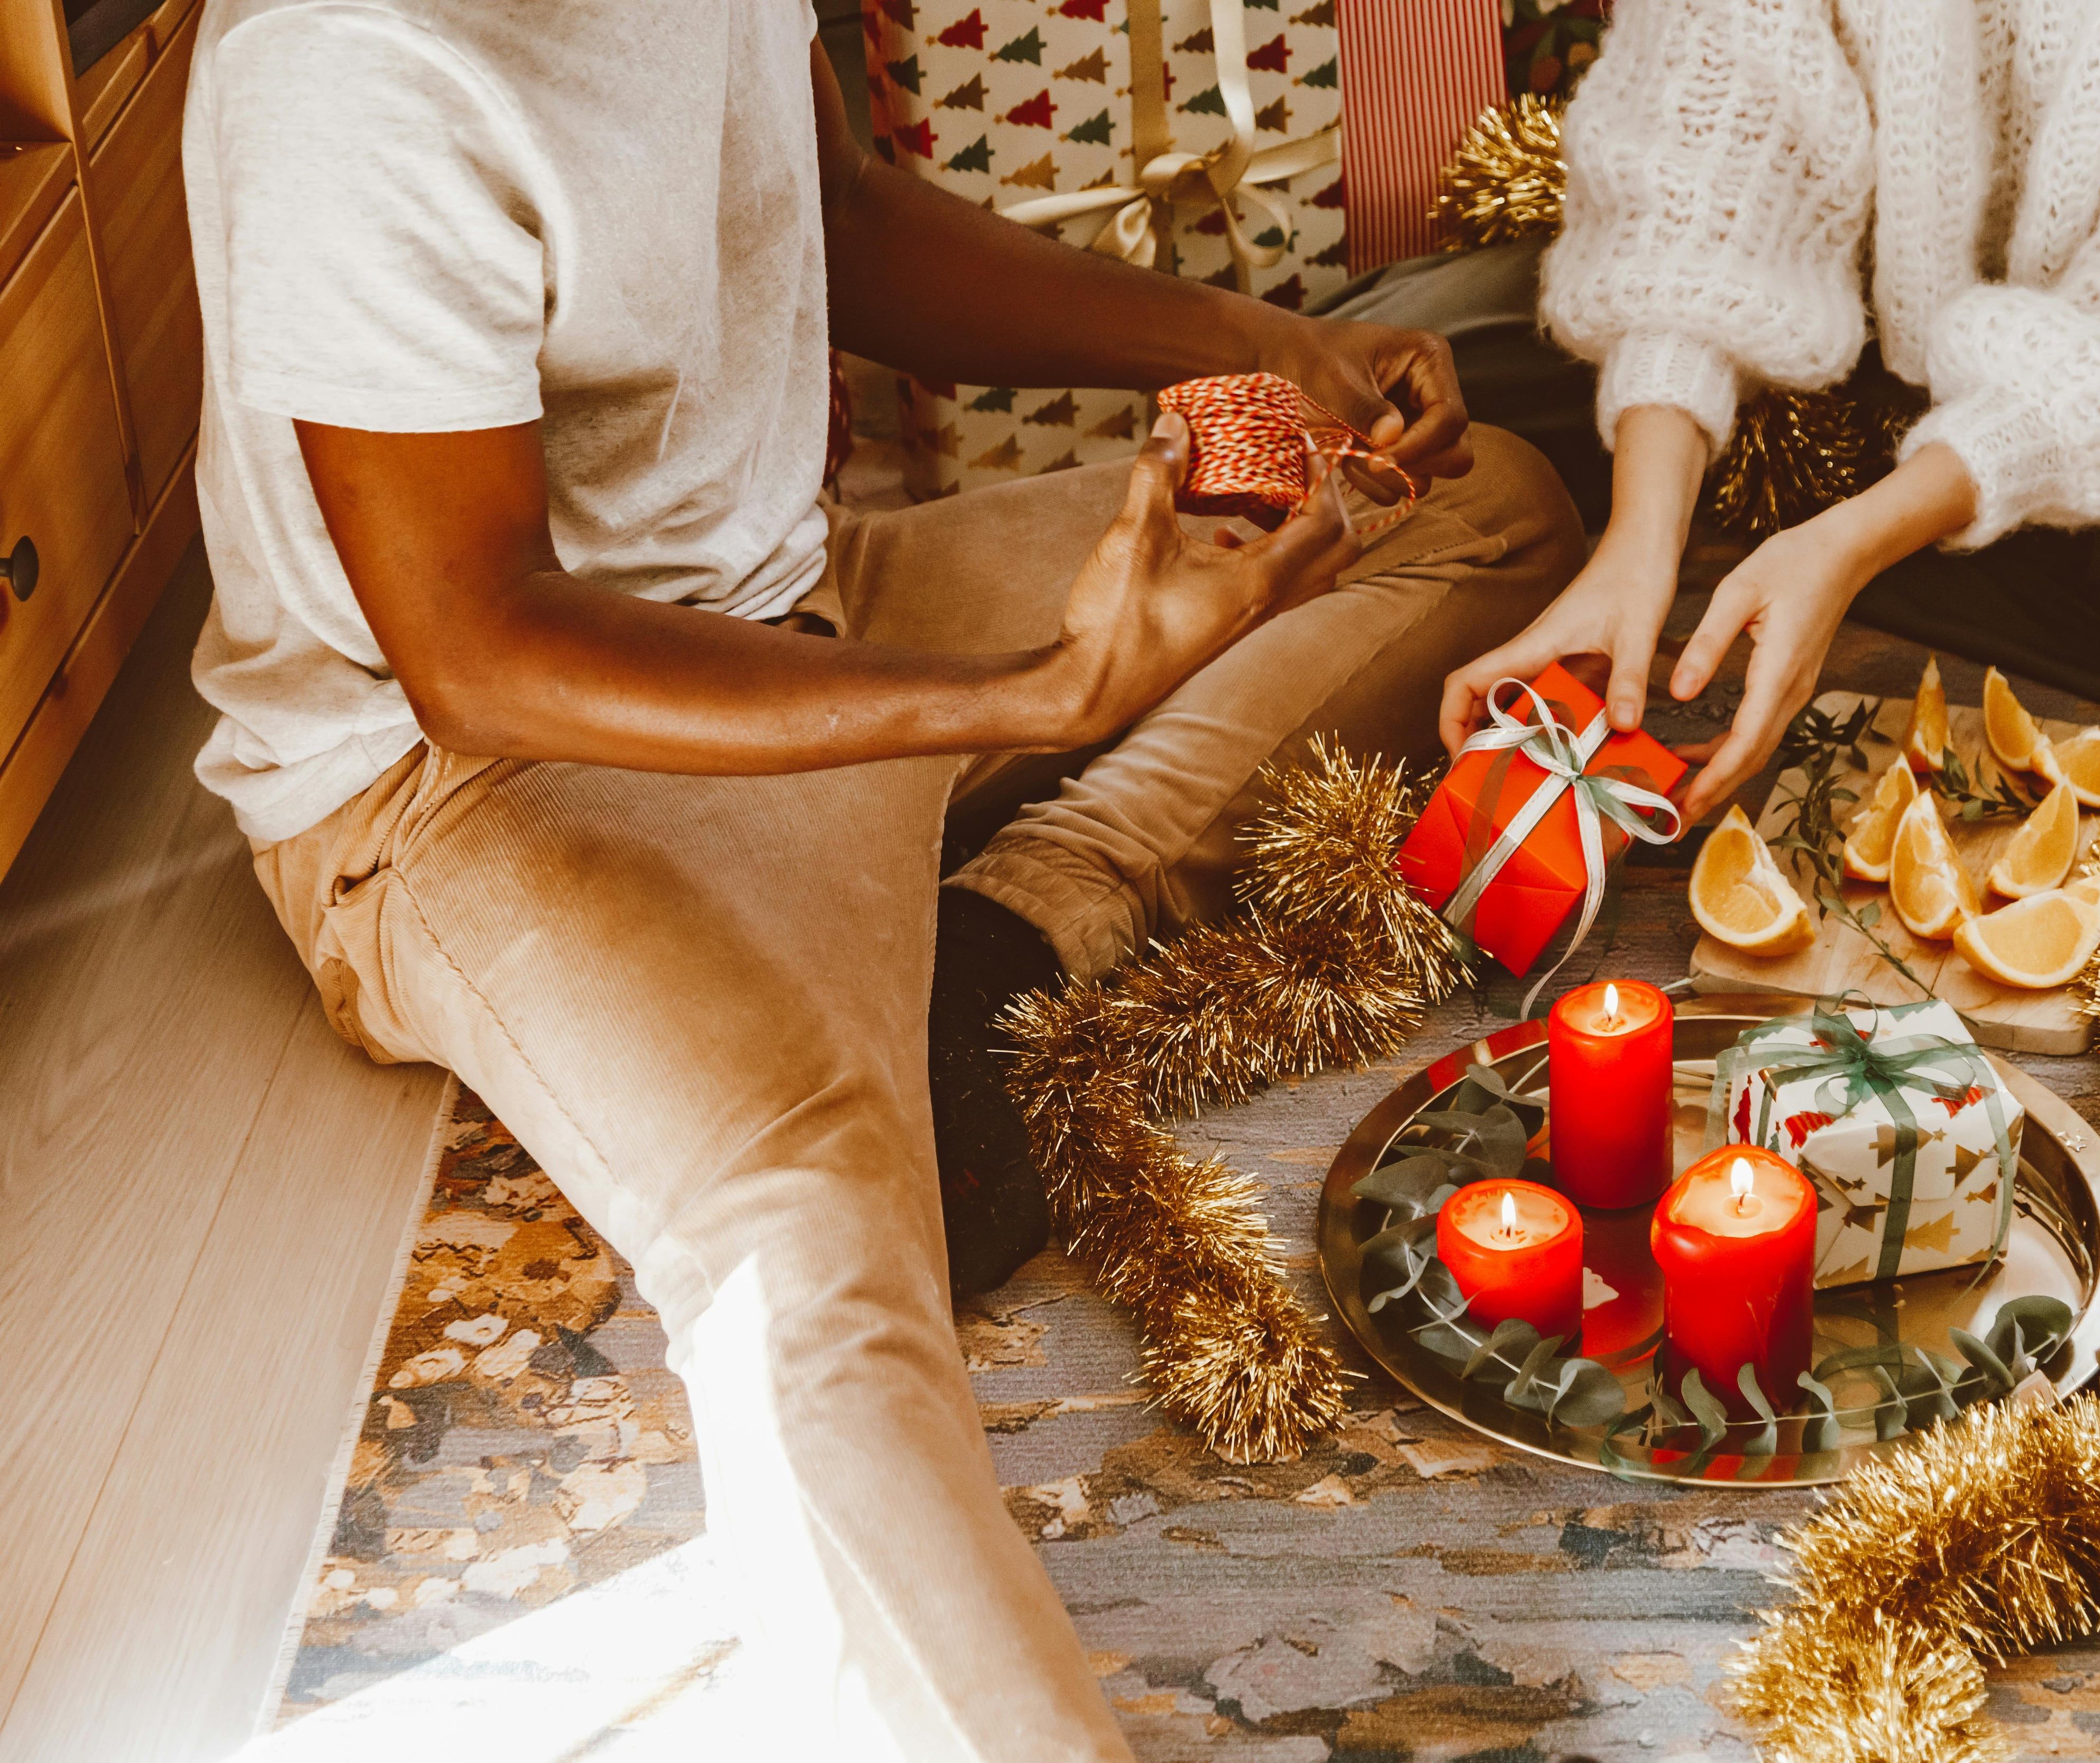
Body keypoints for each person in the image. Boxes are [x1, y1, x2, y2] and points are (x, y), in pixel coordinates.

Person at [182, 3, 1583, 1755]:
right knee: (809, 1267)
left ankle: (1012, 923)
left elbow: (824, 207)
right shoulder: (340, 70)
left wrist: (1256, 346)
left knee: (1482, 502)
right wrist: (1041, 693)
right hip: (473, 770)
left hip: (813, 588)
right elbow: (476, 648)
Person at [1413, 0, 2100, 811]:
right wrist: (1638, 534)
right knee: (1404, 362)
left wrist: (1855, 539)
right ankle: (1833, 518)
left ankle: (1867, 522)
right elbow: (1710, 128)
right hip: (1866, 261)